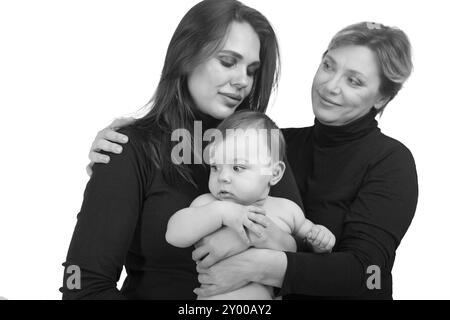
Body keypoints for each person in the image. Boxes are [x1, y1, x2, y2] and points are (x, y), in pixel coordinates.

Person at [90, 21, 418, 299]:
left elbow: (369, 275)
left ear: (383, 97)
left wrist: (255, 265)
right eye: (329, 65)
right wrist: (129, 147)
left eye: (354, 80)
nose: (330, 85)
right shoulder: (271, 143)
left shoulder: (391, 161)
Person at [60, 0, 304, 299]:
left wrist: (255, 240)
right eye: (228, 61)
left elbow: (306, 264)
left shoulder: (262, 143)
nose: (243, 81)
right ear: (187, 57)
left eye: (252, 70)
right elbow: (84, 285)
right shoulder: (128, 148)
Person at [166, 110, 335, 299]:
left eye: (238, 167)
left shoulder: (287, 210)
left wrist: (321, 241)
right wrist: (221, 213)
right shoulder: (210, 204)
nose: (222, 177)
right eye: (215, 167)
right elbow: (174, 235)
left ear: (275, 174)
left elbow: (308, 246)